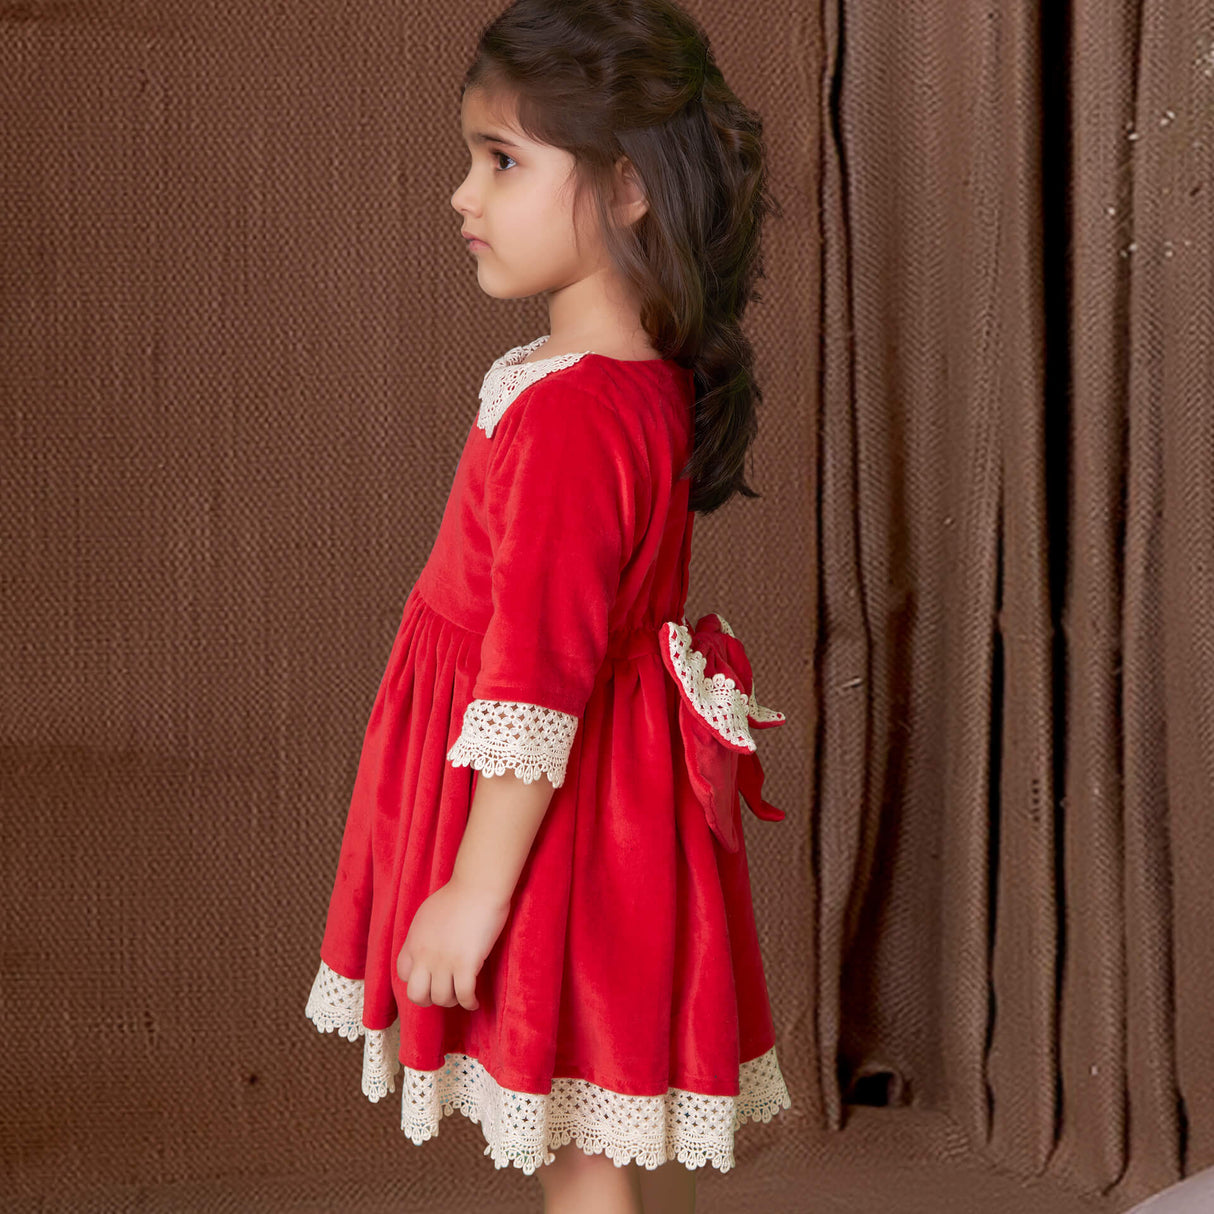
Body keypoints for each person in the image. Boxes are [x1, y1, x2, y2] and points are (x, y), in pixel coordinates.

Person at [304, 2, 791, 1210]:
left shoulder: (579, 412)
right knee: (576, 1130)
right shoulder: (599, 379)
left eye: (504, 161)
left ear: (627, 187)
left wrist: (476, 889)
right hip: (588, 796)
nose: (464, 196)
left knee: (579, 1142)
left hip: (558, 822)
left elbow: (535, 672)